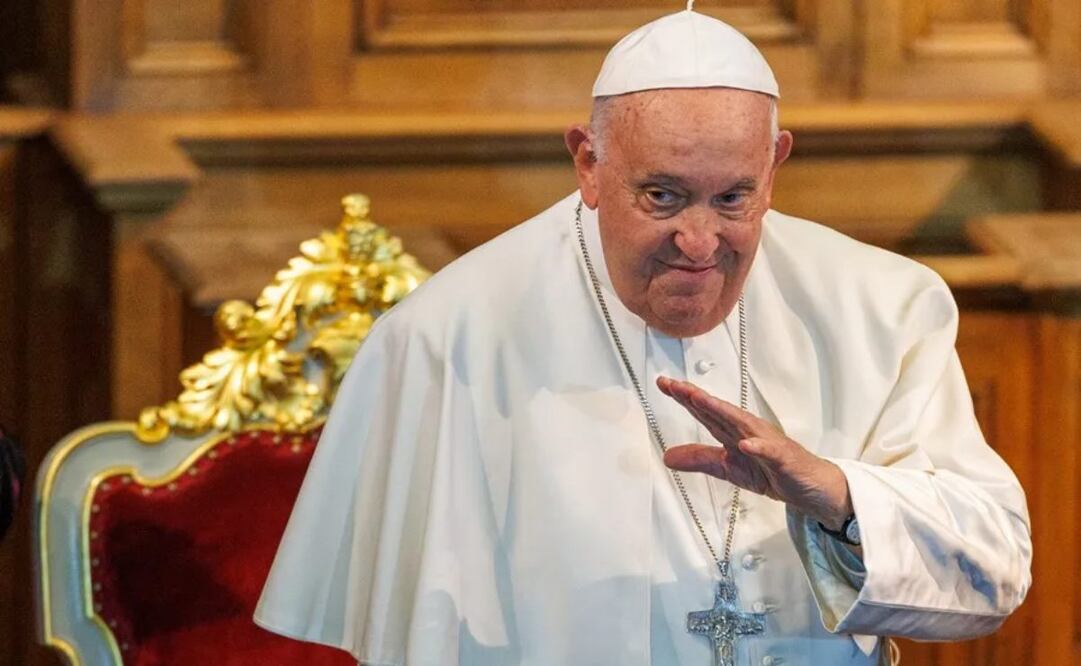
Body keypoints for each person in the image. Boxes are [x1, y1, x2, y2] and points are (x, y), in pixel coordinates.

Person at [255, 7, 1032, 666]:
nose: (698, 242)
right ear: (588, 163)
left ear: (774, 164)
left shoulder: (884, 306)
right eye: (662, 196)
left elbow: (993, 571)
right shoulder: (446, 340)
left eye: (732, 198)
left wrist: (836, 496)